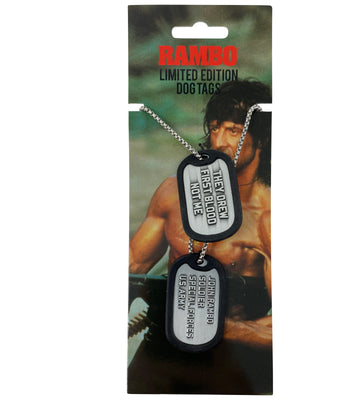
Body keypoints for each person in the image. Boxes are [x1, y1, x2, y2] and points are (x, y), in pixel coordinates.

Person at [128, 79, 272, 394]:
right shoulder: (172, 194)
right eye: (215, 128)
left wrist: (215, 327)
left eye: (233, 131)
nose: (218, 141)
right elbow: (131, 267)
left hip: (234, 363)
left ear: (261, 137)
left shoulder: (269, 218)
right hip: (161, 350)